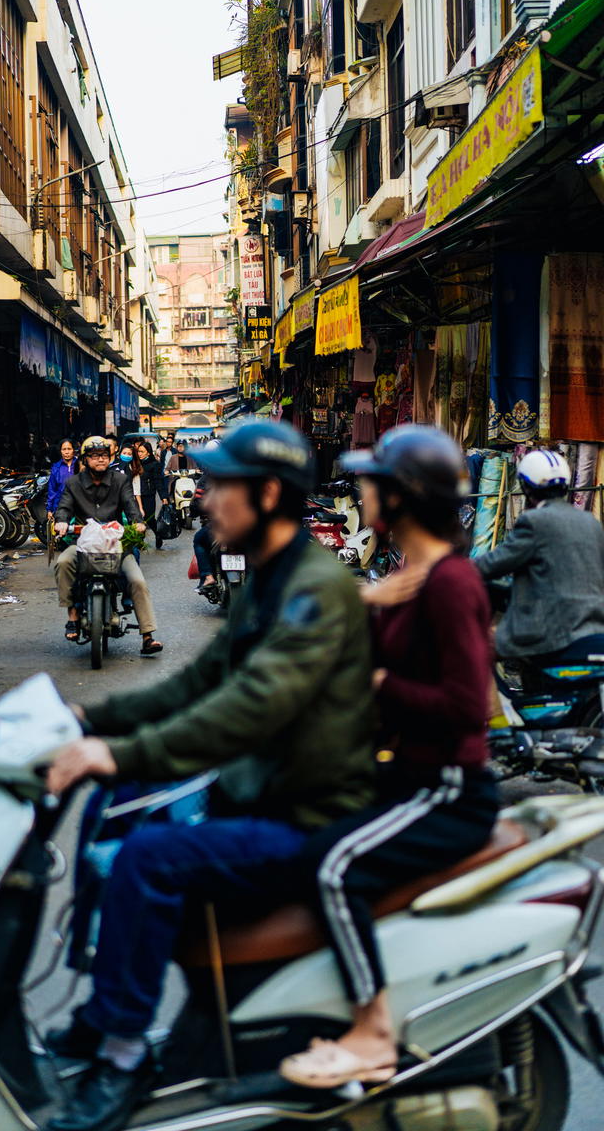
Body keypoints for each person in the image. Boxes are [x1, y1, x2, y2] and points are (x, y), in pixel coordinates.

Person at [41, 420, 377, 1131]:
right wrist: (93, 722)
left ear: (268, 494)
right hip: (258, 793)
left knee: (147, 858)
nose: (204, 500)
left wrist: (123, 750)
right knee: (119, 806)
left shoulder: (314, 588)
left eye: (221, 486)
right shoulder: (268, 579)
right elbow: (199, 682)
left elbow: (249, 706)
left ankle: (125, 1055)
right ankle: (108, 1012)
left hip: (306, 817)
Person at [277, 425, 498, 1090]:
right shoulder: (407, 574)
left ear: (401, 497)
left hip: (448, 787)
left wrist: (376, 685)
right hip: (405, 770)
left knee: (333, 866)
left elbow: (468, 705)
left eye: (374, 482)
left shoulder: (450, 583)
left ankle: (373, 1032)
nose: (362, 491)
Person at [475, 448, 604, 661]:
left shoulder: (534, 522)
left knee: (480, 647)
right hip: (594, 630)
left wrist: (450, 569)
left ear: (526, 487)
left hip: (550, 635)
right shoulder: (590, 522)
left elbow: (490, 565)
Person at [53, 436, 163, 656]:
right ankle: (73, 615)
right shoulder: (73, 483)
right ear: (85, 459)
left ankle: (148, 635)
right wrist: (62, 521)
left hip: (115, 544)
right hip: (84, 544)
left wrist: (138, 522)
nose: (100, 460)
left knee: (138, 581)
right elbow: (64, 507)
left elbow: (130, 504)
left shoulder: (120, 480)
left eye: (103, 455)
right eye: (94, 456)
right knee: (63, 562)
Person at [134, 439, 164, 548]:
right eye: (138, 451)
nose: (139, 454)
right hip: (136, 495)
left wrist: (163, 497)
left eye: (142, 451)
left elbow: (158, 481)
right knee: (138, 518)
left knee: (149, 518)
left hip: (148, 495)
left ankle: (158, 534)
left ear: (148, 452)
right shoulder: (135, 463)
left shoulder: (154, 464)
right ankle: (140, 541)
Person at [47, 440, 80, 515]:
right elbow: (52, 489)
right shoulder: (56, 467)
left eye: (69, 449)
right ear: (60, 451)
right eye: (64, 449)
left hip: (78, 506)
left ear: (73, 450)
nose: (66, 452)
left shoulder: (80, 465)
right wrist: (49, 509)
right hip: (60, 506)